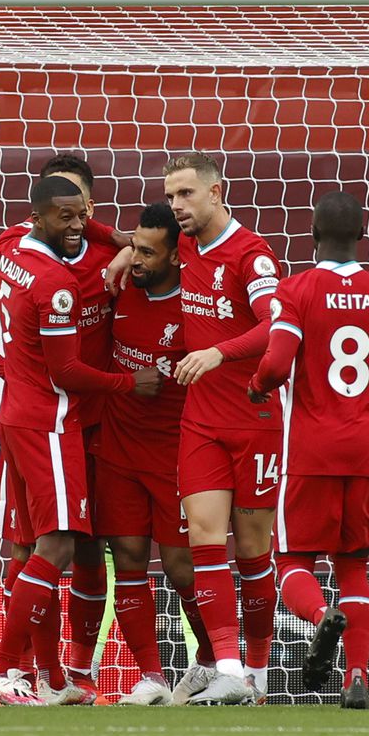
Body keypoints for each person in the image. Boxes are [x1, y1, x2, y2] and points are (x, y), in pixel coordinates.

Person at [0, 176, 160, 705]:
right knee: (55, 545)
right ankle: (4, 670)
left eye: (83, 214)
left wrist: (116, 239)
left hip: (22, 418)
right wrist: (131, 382)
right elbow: (68, 373)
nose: (77, 226)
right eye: (66, 216)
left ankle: (56, 678)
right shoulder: (56, 284)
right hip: (53, 422)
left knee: (53, 545)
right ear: (40, 216)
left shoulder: (10, 247)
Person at [248, 190, 369, 708]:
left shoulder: (296, 290)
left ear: (312, 234)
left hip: (312, 451)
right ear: (362, 235)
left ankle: (318, 615)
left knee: (290, 560)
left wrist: (260, 383)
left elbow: (279, 362)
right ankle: (358, 677)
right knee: (353, 566)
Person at [149, 152, 284, 705]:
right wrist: (114, 253)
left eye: (185, 194)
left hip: (254, 419)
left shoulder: (252, 256)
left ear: (216, 192)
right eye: (171, 195)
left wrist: (217, 352)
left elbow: (276, 326)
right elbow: (130, 239)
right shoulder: (181, 246)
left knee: (253, 551)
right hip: (201, 420)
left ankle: (257, 669)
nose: (176, 205)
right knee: (204, 540)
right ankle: (225, 665)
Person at [92, 203, 214, 705]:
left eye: (146, 251)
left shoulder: (195, 308)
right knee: (129, 561)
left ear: (176, 258)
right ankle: (152, 677)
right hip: (119, 451)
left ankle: (212, 662)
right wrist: (122, 249)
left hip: (176, 453)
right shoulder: (118, 289)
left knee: (183, 568)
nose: (134, 258)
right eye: (132, 247)